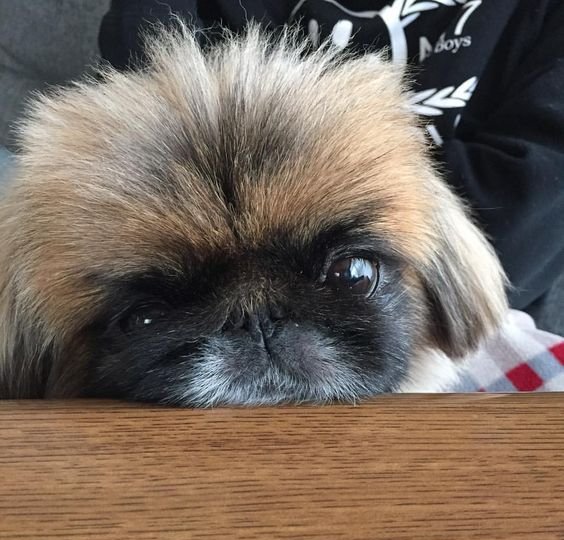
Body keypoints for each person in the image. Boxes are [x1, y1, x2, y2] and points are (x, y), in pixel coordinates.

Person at [97, 0, 564, 334]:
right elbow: (142, 146)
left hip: (467, 350)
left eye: (352, 272)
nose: (257, 329)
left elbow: (521, 228)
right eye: (147, 316)